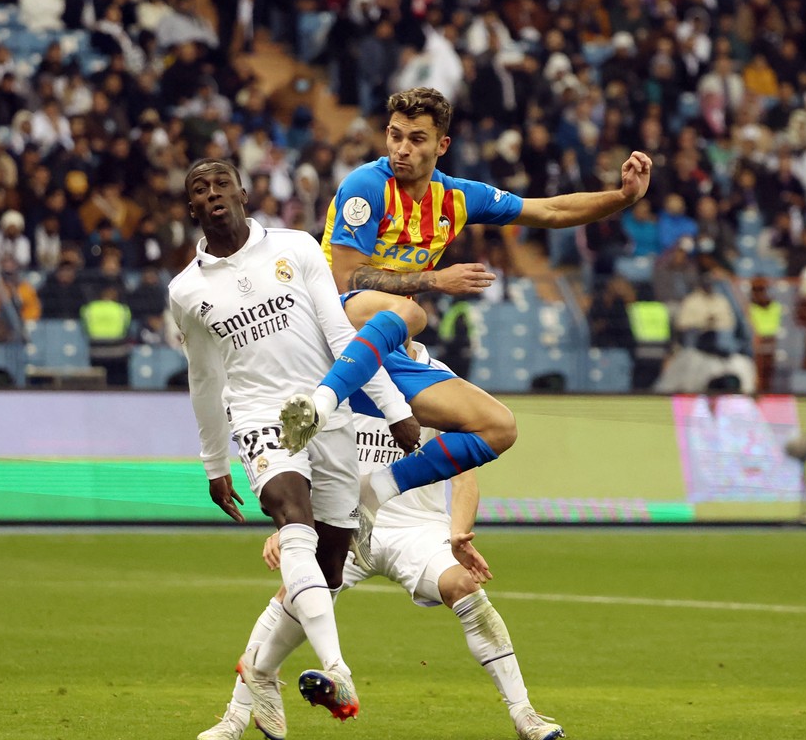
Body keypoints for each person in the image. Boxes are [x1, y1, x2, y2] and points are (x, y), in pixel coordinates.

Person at [279, 87, 652, 541]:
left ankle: (376, 490)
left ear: (442, 145)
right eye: (395, 135)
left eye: (416, 139)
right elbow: (347, 278)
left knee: (498, 427)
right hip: (333, 327)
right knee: (413, 314)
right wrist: (434, 280)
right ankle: (318, 406)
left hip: (385, 344)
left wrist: (622, 197)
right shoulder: (365, 186)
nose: (401, 148)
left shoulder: (456, 197)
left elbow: (550, 211)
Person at [169, 159, 422, 740]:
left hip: (324, 413)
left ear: (243, 192)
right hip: (260, 418)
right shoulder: (186, 291)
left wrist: (395, 408)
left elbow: (343, 339)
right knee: (293, 523)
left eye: (220, 184)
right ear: (191, 208)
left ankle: (259, 673)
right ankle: (338, 669)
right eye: (198, 189)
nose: (211, 194)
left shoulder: (297, 248)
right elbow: (204, 381)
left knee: (328, 568)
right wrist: (214, 462)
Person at [198, 346, 564, 740]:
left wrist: (459, 533)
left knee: (464, 587)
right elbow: (311, 460)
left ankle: (524, 713)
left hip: (417, 528)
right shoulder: (341, 373)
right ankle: (235, 715)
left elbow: (464, 477)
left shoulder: (437, 378)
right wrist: (293, 526)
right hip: (346, 520)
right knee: (290, 596)